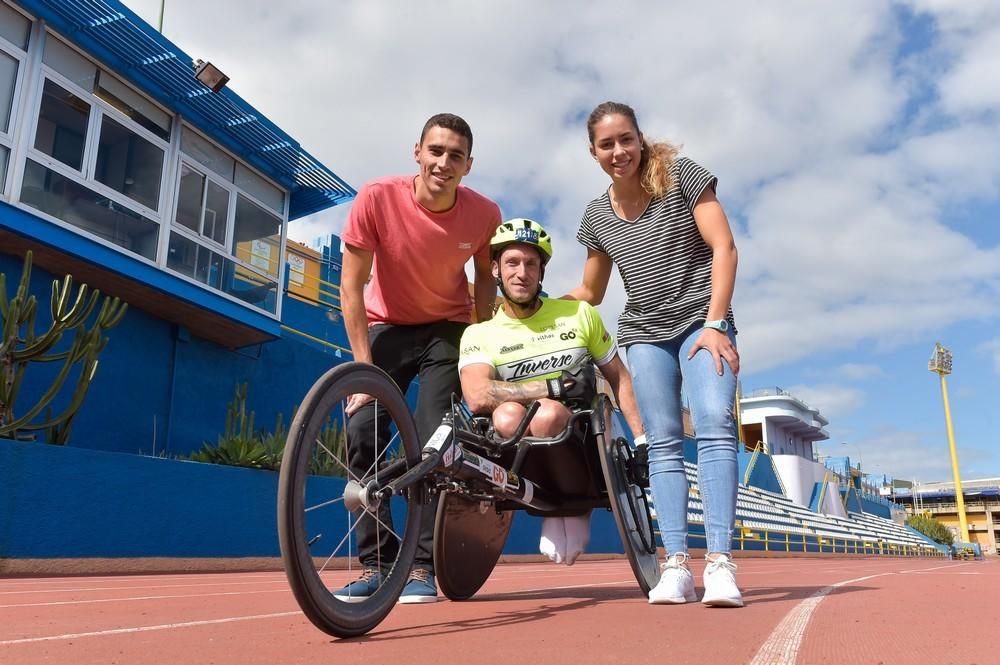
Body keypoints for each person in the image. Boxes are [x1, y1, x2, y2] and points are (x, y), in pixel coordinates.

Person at [567, 101, 743, 607]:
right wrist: (536, 302)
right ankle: (675, 567)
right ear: (593, 151)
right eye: (607, 144)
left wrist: (715, 322)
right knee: (662, 442)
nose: (618, 151)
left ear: (640, 138)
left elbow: (725, 247)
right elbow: (591, 291)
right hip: (645, 332)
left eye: (626, 139)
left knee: (713, 421)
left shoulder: (682, 177)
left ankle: (720, 565)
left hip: (699, 322)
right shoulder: (597, 215)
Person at [335, 113, 501, 604]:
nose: (443, 163)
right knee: (362, 427)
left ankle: (422, 569)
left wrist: (481, 346)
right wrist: (364, 372)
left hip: (448, 329)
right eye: (436, 151)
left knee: (435, 439)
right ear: (417, 152)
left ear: (468, 165)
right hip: (387, 324)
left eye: (455, 156)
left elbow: (486, 280)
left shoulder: (484, 213)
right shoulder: (377, 197)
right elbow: (350, 286)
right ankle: (377, 563)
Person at [459, 218, 644, 565]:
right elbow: (476, 395)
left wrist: (642, 441)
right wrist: (549, 386)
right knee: (507, 414)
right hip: (520, 434)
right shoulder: (480, 334)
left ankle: (573, 510)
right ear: (496, 269)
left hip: (583, 433)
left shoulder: (579, 315)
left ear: (542, 272)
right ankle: (548, 506)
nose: (522, 273)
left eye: (531, 264)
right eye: (512, 263)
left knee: (544, 416)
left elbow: (619, 378)